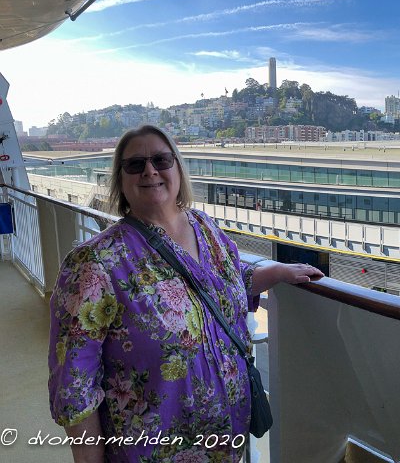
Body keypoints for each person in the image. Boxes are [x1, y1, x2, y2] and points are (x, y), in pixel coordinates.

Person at [48, 125, 323, 462]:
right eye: (135, 164)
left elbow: (221, 282)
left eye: (161, 160)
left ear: (177, 168)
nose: (150, 170)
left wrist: (277, 272)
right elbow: (74, 385)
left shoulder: (204, 228)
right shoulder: (94, 264)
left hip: (226, 443)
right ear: (120, 179)